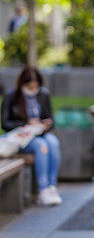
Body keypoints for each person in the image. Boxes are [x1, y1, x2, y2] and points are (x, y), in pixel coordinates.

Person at [1, 66, 62, 206]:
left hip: (40, 133)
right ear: (22, 84)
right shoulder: (12, 97)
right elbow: (5, 124)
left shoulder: (43, 95)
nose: (33, 89)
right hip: (22, 138)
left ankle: (52, 187)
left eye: (36, 86)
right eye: (29, 86)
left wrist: (44, 125)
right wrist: (26, 123)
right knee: (41, 146)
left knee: (53, 142)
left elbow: (51, 120)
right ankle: (43, 189)